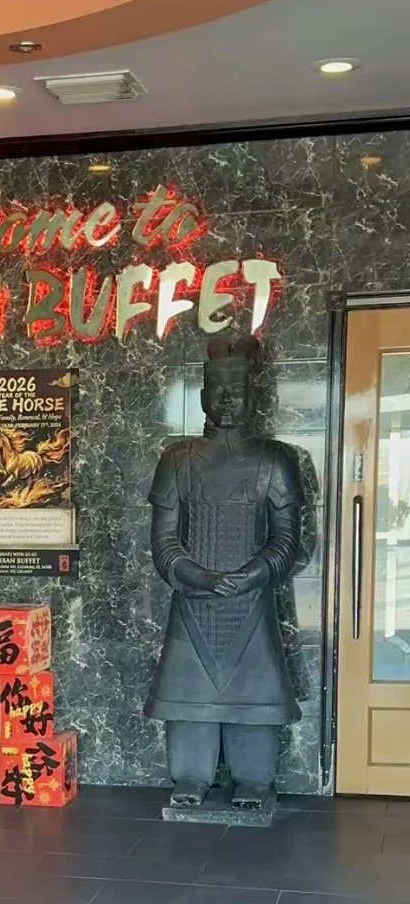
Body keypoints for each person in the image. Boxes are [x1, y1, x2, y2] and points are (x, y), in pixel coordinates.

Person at [145, 336, 304, 810]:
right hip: (193, 599)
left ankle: (254, 780)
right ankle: (189, 777)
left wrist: (257, 571)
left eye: (237, 390)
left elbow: (287, 538)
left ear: (253, 396)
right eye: (218, 390)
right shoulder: (177, 460)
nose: (228, 400)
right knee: (188, 694)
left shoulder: (275, 460)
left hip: (252, 601)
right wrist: (195, 575)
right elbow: (163, 540)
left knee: (254, 695)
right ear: (202, 397)